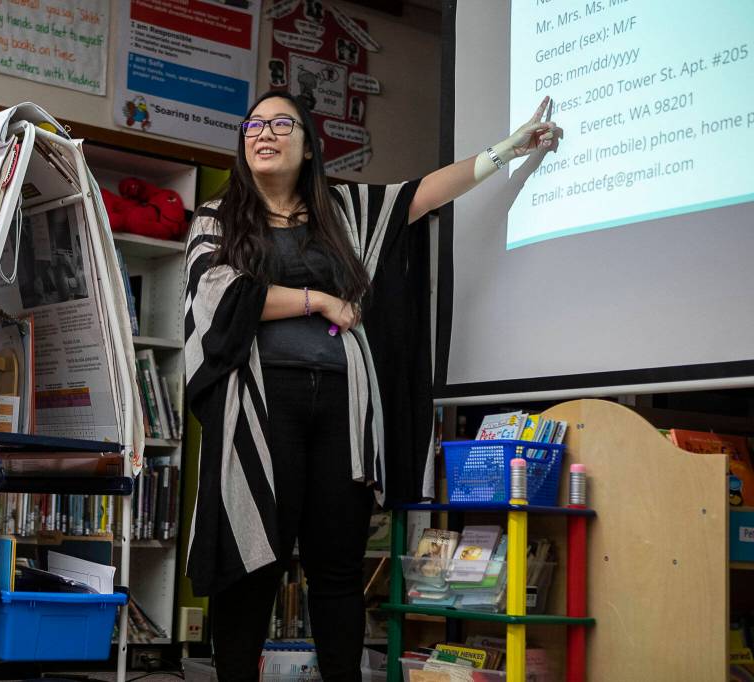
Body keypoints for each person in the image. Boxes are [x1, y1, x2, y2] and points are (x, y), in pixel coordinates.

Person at [183, 90, 562, 682]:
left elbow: (424, 192)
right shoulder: (218, 217)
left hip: (343, 410)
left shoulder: (346, 212)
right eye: (254, 124)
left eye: (282, 124)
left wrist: (509, 149)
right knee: (252, 566)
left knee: (336, 571)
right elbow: (220, 295)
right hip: (259, 411)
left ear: (308, 145)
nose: (264, 133)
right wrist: (320, 300)